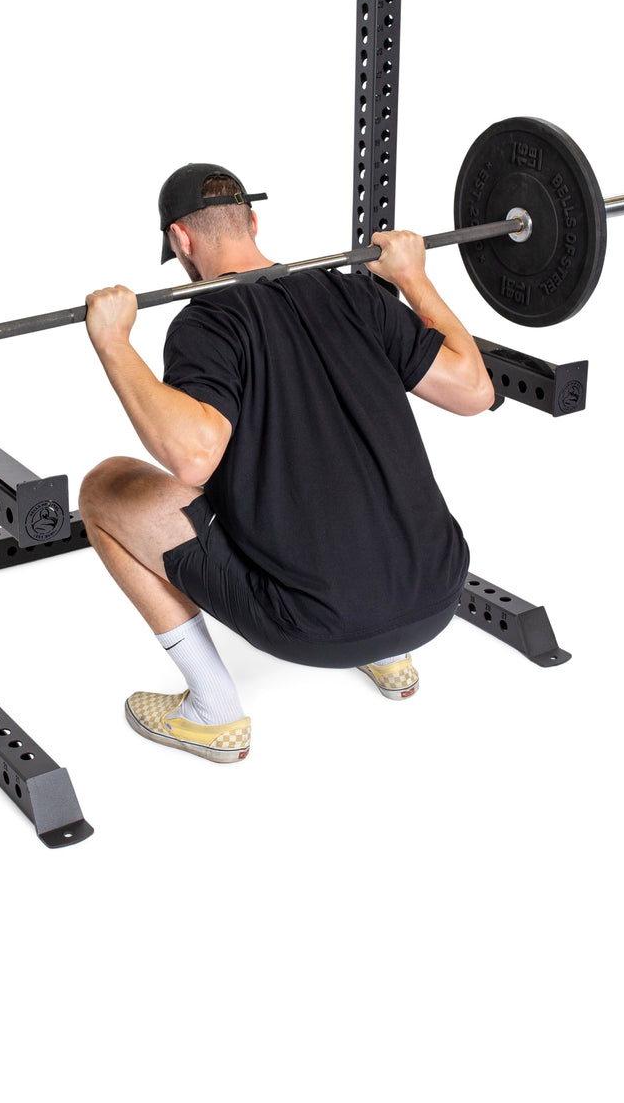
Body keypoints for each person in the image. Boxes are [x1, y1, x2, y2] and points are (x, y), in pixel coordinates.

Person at [78, 163, 494, 764]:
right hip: (438, 593)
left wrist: (114, 344)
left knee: (105, 488)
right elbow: (475, 391)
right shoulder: (353, 293)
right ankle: (389, 657)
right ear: (252, 220)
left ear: (181, 241)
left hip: (314, 628)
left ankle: (211, 710)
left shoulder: (207, 321)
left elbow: (193, 458)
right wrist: (411, 278)